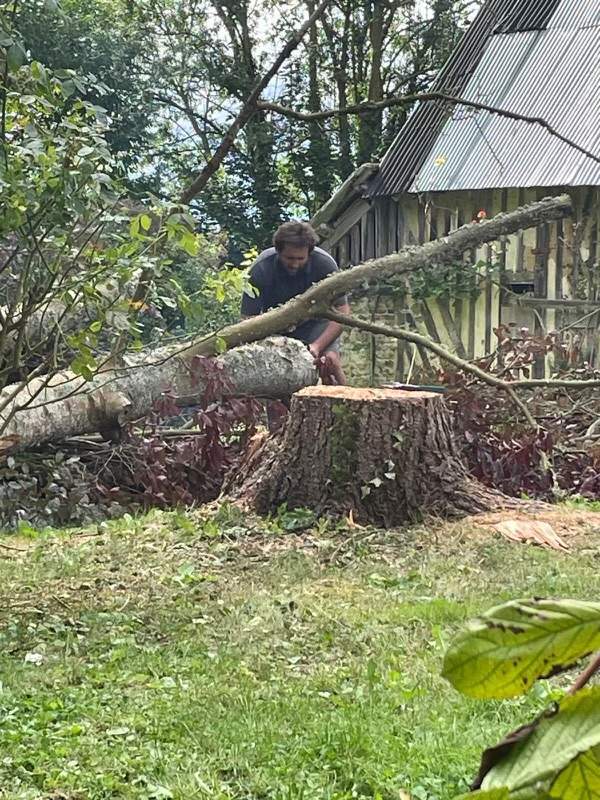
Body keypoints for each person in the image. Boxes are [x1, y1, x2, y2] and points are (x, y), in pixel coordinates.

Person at [240, 220, 350, 385]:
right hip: (275, 326)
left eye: (300, 258)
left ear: (310, 253)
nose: (295, 264)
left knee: (329, 361)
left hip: (316, 323)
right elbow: (247, 319)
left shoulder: (325, 265)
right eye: (289, 258)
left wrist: (317, 346)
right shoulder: (261, 269)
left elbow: (342, 311)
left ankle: (346, 404)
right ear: (278, 251)